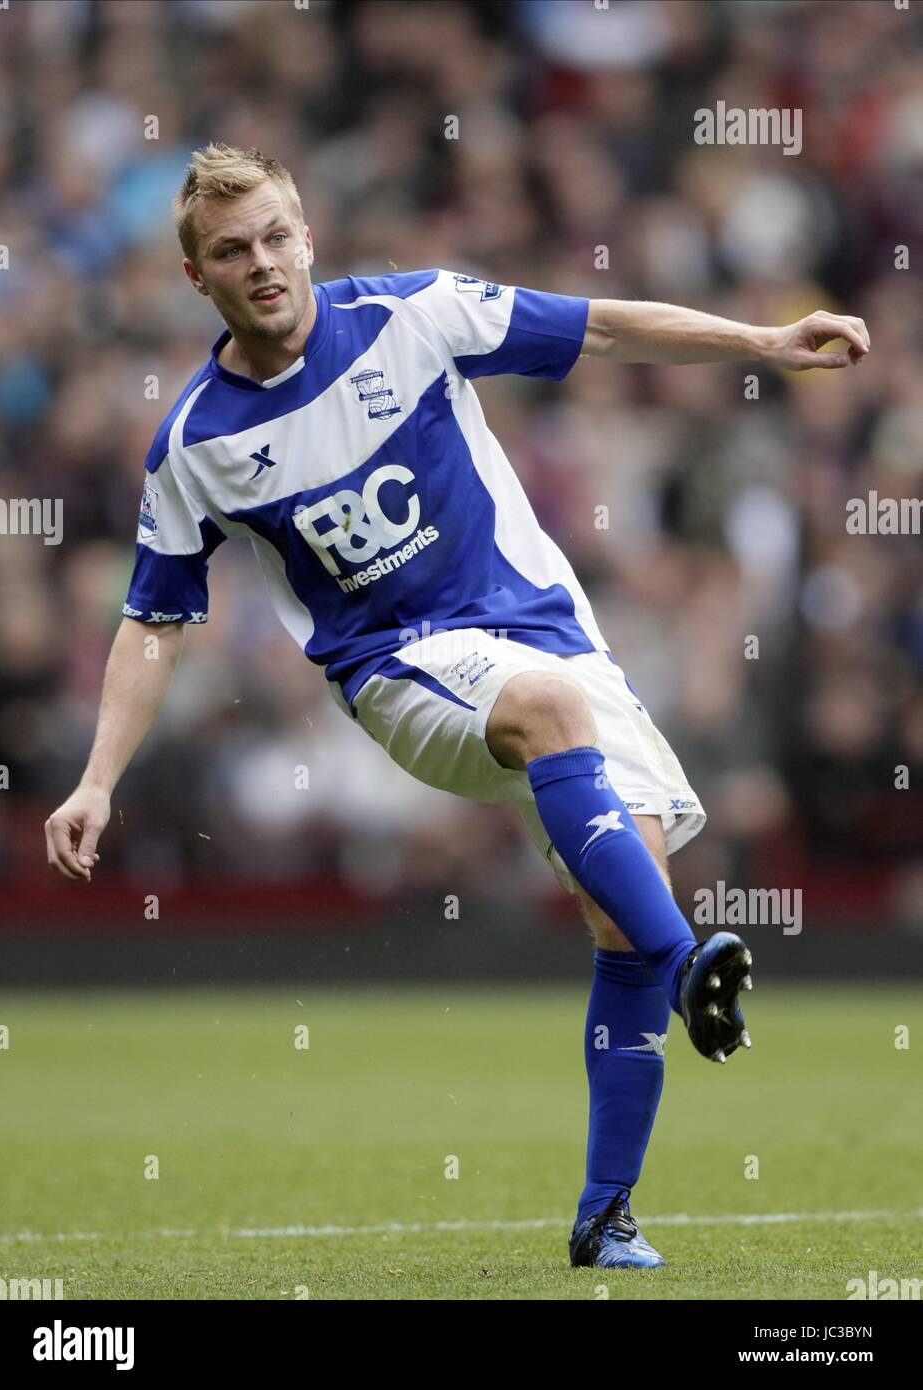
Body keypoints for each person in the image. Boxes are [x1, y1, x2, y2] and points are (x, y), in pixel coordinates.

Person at [45, 143, 870, 1270]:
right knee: (548, 719)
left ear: (309, 235)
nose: (265, 263)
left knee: (616, 907)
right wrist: (96, 779)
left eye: (277, 235)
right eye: (233, 251)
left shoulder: (415, 312)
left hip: (548, 632)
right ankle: (691, 968)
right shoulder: (194, 444)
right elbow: (152, 623)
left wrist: (761, 342)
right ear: (200, 279)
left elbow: (597, 328)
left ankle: (605, 1212)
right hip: (400, 673)